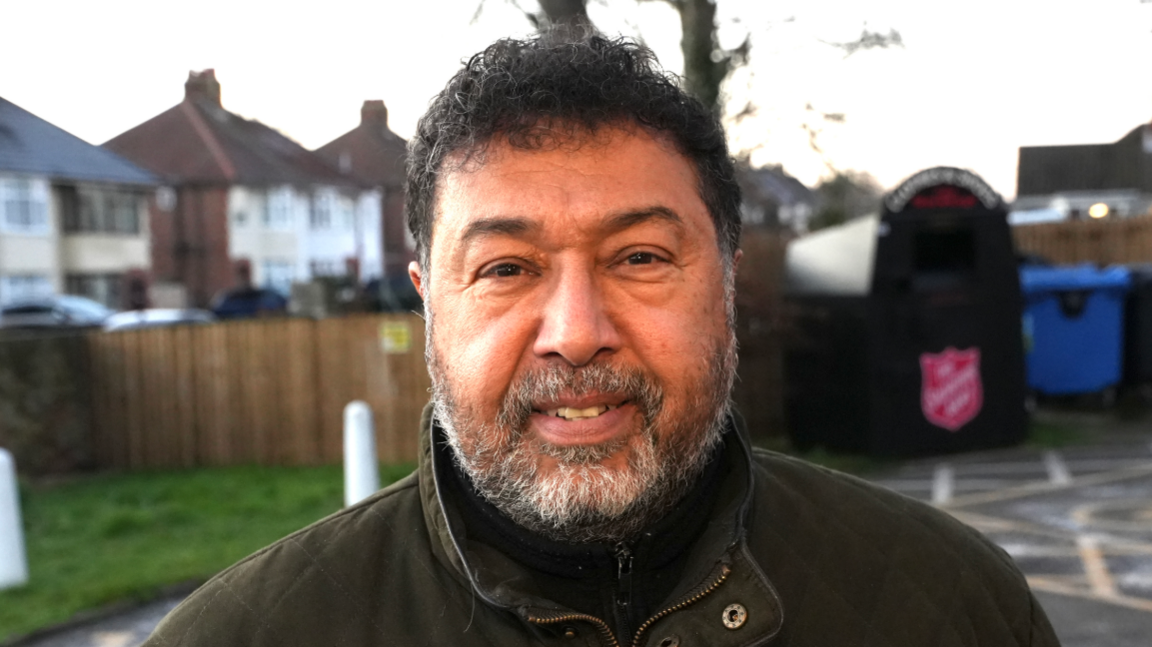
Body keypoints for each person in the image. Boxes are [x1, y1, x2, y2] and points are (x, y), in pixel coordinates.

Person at [143, 33, 1059, 647]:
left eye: (641, 256)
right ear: (431, 304)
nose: (576, 333)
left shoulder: (953, 606)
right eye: (506, 268)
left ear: (727, 280)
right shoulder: (245, 635)